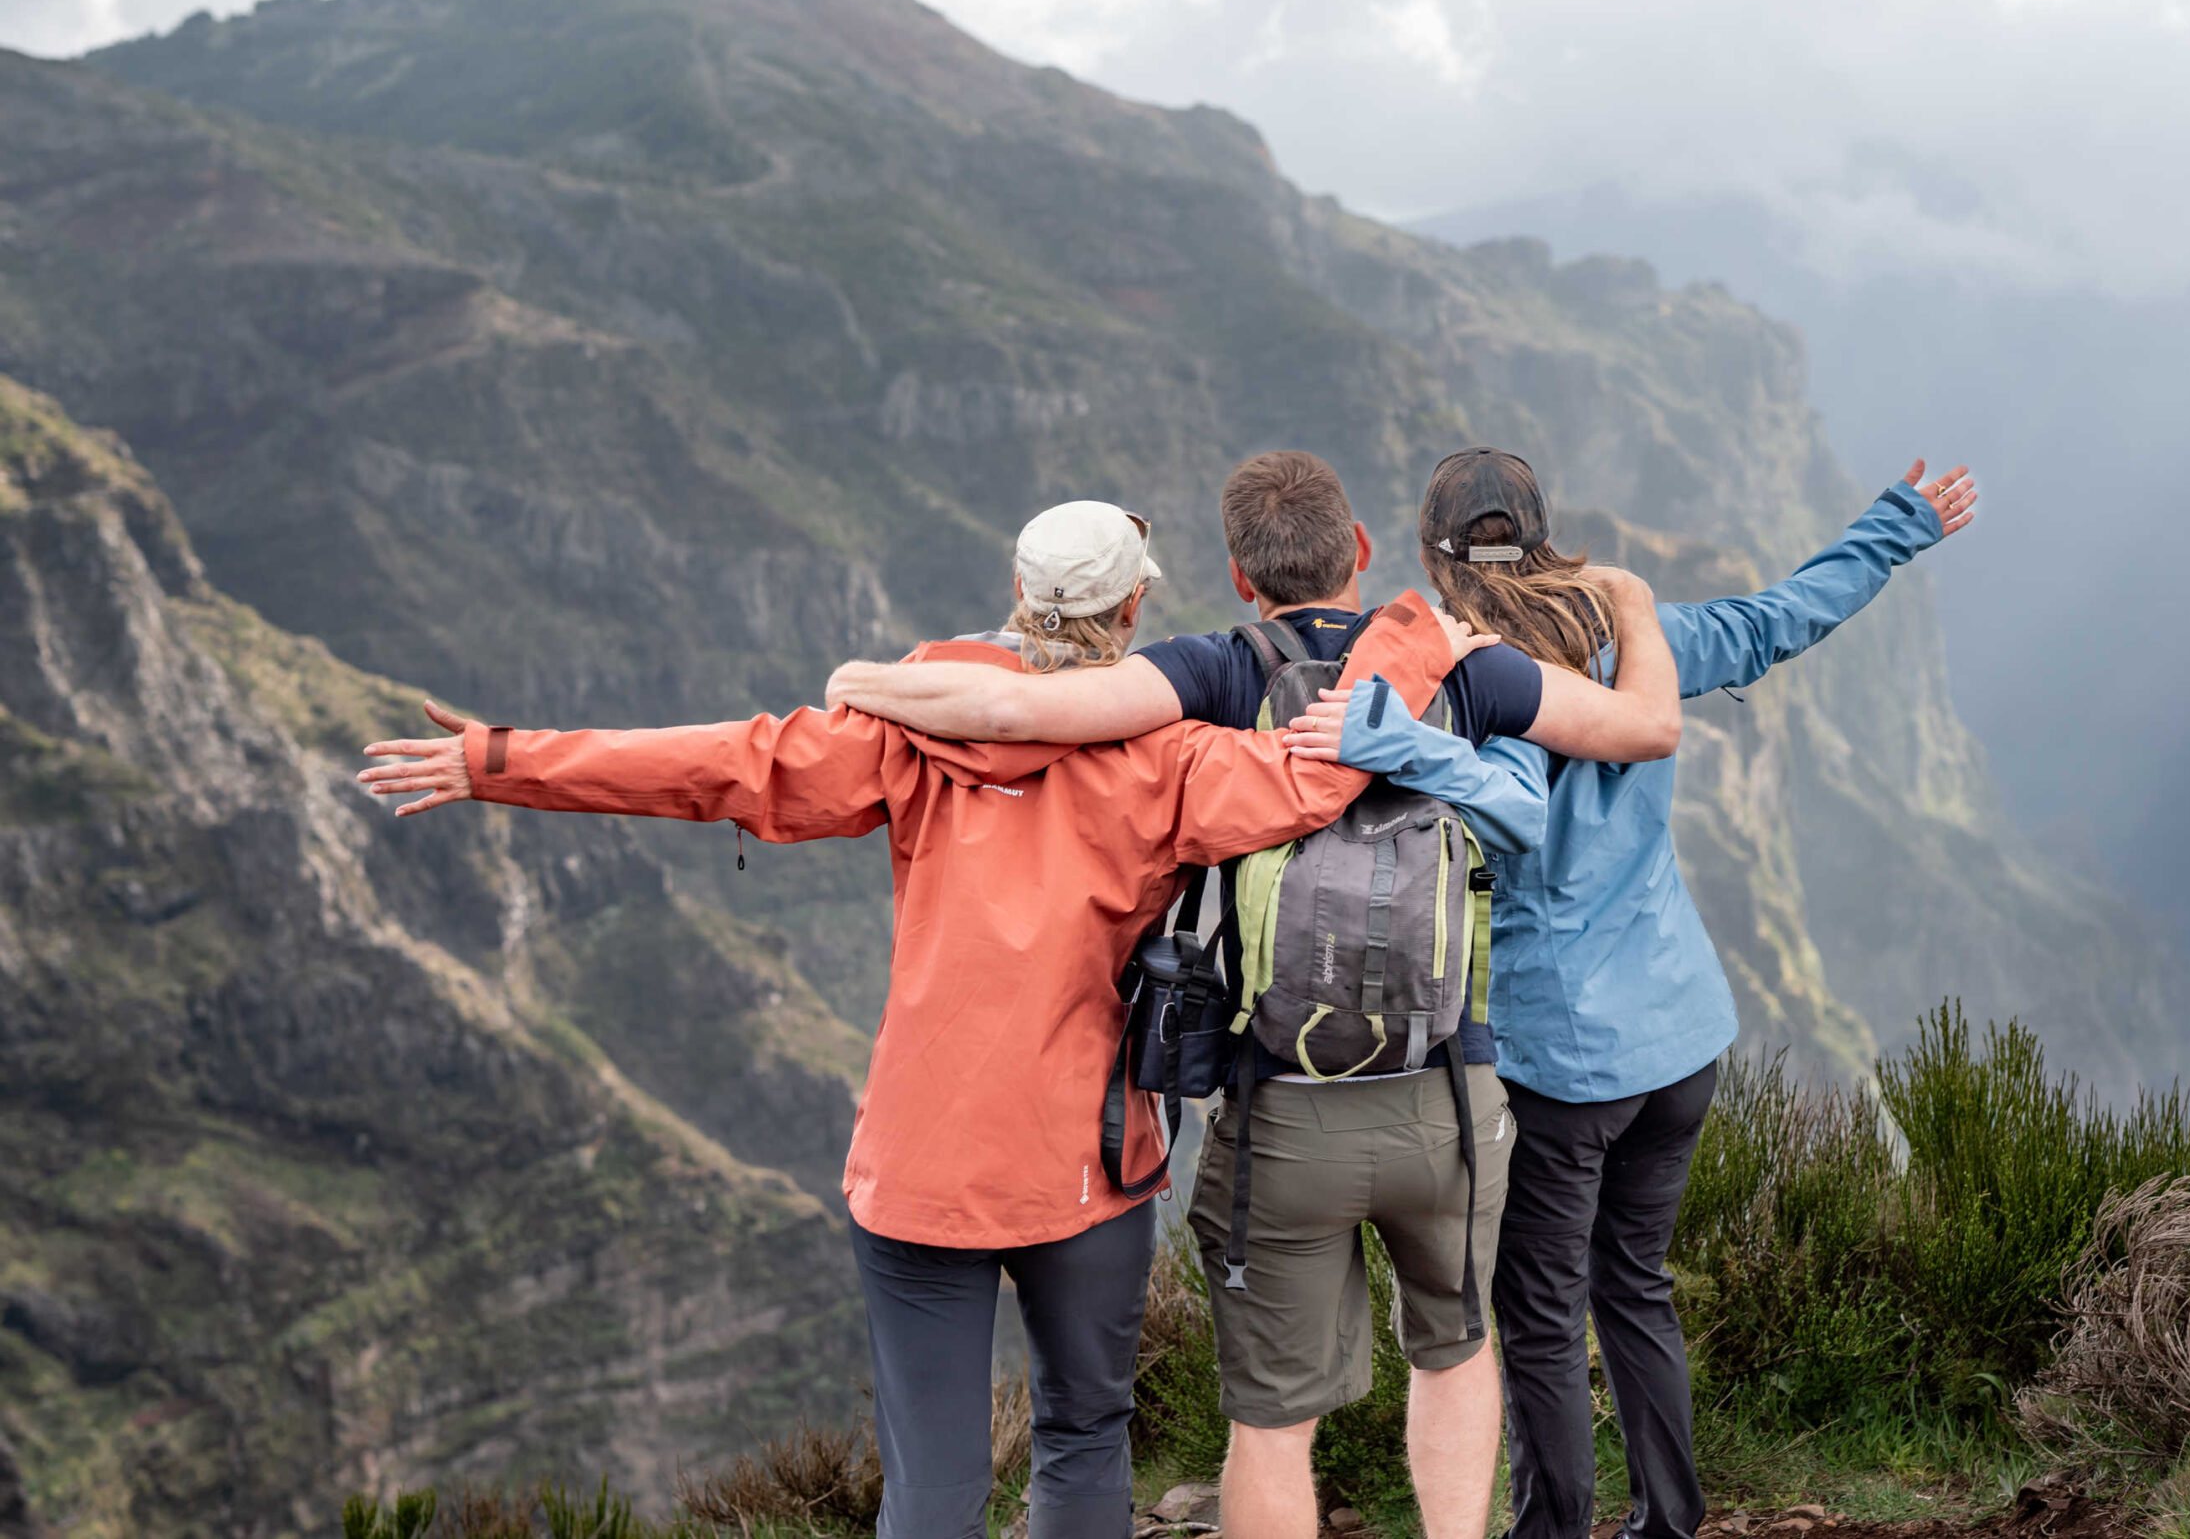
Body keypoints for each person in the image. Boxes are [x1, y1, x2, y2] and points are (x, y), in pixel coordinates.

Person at [352, 499, 1513, 1539]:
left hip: (919, 1168)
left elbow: (710, 764)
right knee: (1081, 1435)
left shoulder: (902, 735)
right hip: (1084, 1169)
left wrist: (498, 758)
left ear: (1019, 594)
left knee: (936, 1483)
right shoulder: (1169, 762)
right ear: (1135, 607)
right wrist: (1412, 635)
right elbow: (1319, 772)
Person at [823, 452, 1684, 1539]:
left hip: (1282, 1109)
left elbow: (1018, 711)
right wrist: (1639, 612)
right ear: (1360, 550)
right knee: (1456, 1356)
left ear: (1240, 575)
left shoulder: (1211, 672)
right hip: (1448, 1104)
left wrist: (868, 683)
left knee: (1274, 1422)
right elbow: (1647, 726)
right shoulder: (1461, 670)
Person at [1291, 447, 1976, 1539]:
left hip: (1565, 1059)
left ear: (1431, 552)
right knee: (1636, 1286)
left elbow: (1481, 799)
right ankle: (1666, 1519)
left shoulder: (1473, 677)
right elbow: (1778, 619)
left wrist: (1387, 739)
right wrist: (1899, 524)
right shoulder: (1627, 635)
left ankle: (1551, 1528)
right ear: (1543, 526)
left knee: (1543, 1313)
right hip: (1681, 1037)